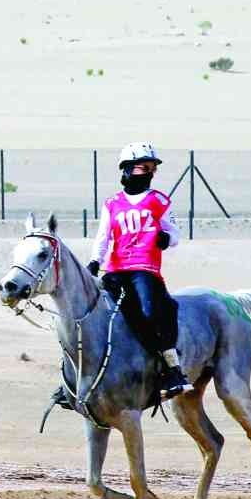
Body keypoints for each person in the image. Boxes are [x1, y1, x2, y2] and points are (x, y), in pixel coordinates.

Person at [88, 142, 190, 398]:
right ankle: (78, 373)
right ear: (127, 169)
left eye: (152, 168)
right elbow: (103, 237)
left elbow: (175, 233)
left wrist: (166, 238)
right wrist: (94, 261)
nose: (149, 172)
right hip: (116, 268)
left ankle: (171, 369)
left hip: (144, 269)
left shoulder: (159, 200)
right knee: (91, 312)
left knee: (150, 312)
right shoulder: (112, 204)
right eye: (144, 167)